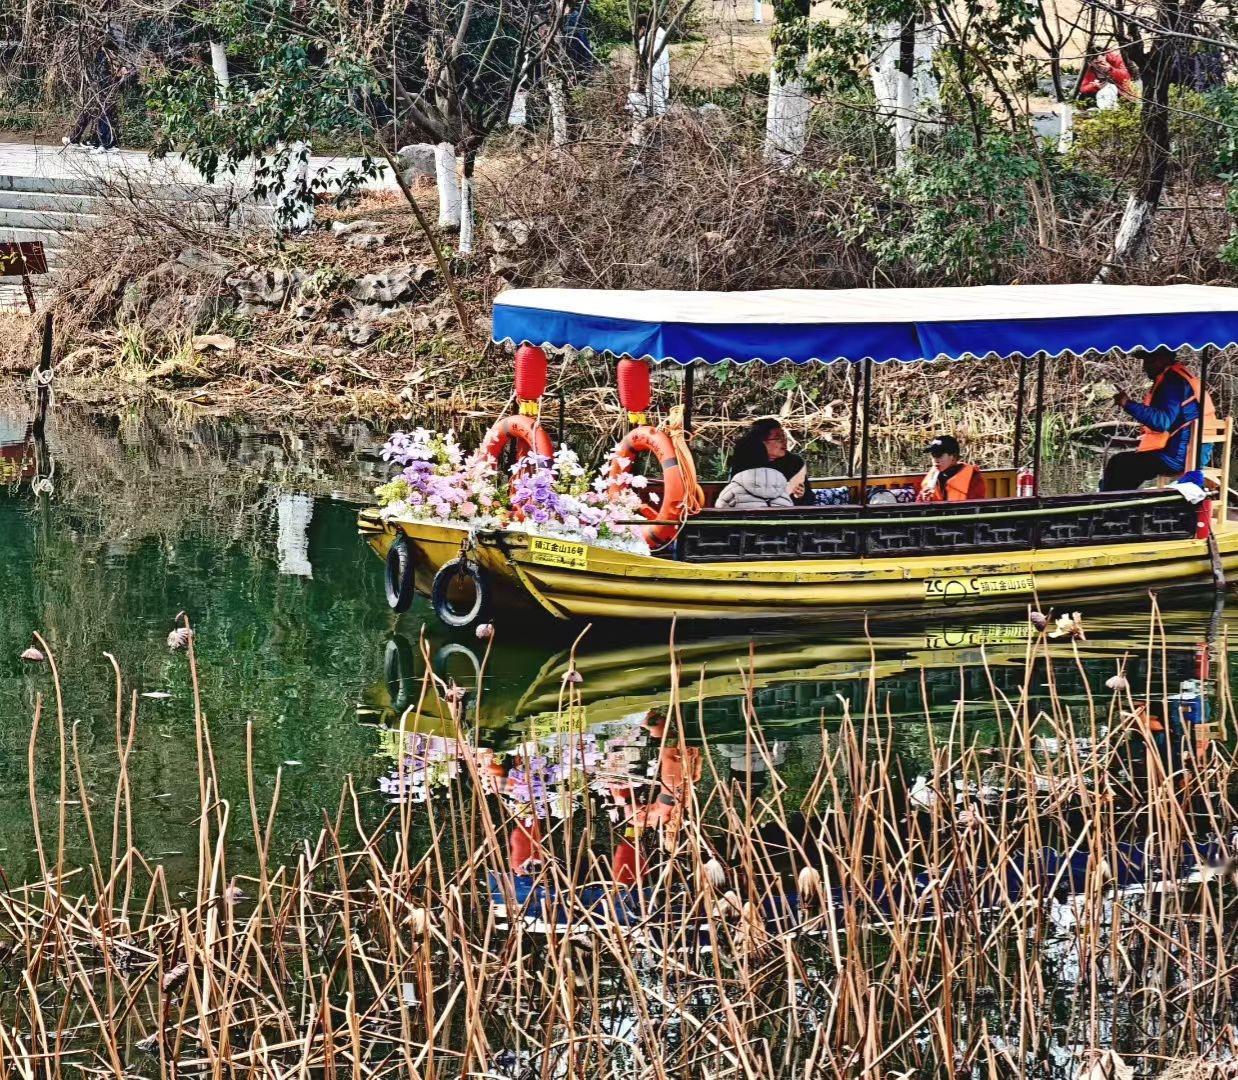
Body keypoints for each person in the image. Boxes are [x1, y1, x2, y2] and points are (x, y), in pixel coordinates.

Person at [1102, 347, 1216, 491]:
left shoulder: (1172, 382)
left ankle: (1110, 506)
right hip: (1197, 454)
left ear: (1162, 360)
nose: (1144, 367)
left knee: (1120, 463)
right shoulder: (1181, 377)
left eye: (1148, 361)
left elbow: (1162, 422)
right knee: (1127, 465)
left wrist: (1127, 404)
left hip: (1179, 458)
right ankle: (1117, 503)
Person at [726, 418, 814, 505]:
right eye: (778, 438)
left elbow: (809, 499)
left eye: (784, 436)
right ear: (761, 442)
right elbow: (734, 495)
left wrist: (799, 495)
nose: (784, 441)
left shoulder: (795, 462)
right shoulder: (745, 462)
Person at [918, 434, 986, 502]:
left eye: (939, 455)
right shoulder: (932, 477)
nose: (935, 459)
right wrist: (923, 497)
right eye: (933, 455)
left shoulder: (973, 477)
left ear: (953, 457)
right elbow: (918, 504)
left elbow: (976, 507)